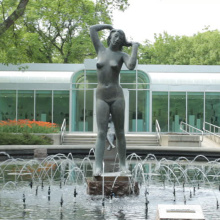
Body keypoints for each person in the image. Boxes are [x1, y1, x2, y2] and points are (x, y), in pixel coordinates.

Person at [90, 24, 139, 176]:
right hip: (101, 96)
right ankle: (98, 167)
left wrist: (134, 47)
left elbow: (131, 66)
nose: (116, 39)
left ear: (122, 42)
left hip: (117, 96)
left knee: (120, 133)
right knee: (101, 133)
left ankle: (123, 165)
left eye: (120, 38)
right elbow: (92, 29)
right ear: (110, 37)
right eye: (114, 36)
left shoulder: (121, 55)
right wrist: (107, 26)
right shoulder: (100, 50)